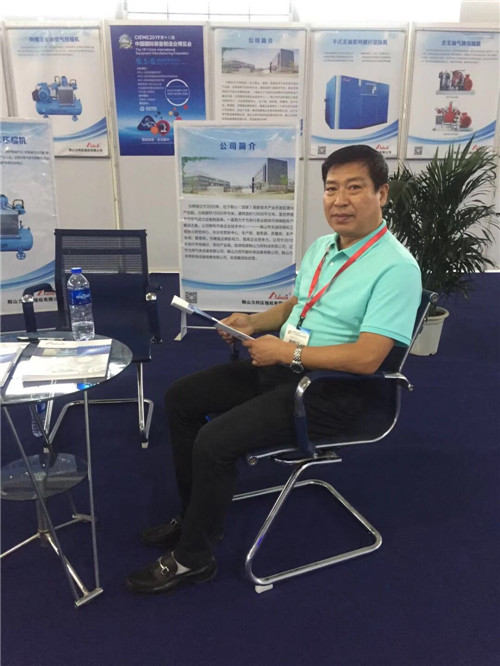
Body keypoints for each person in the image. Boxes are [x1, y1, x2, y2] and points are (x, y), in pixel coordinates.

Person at [125, 144, 422, 595]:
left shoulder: (396, 268)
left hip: (338, 393)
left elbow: (368, 358)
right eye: (331, 189)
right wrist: (252, 323)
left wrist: (287, 353)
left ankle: (193, 558)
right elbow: (297, 306)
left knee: (214, 441)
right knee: (180, 398)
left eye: (354, 188)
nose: (340, 200)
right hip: (289, 368)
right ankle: (196, 518)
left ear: (382, 194)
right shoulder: (323, 246)